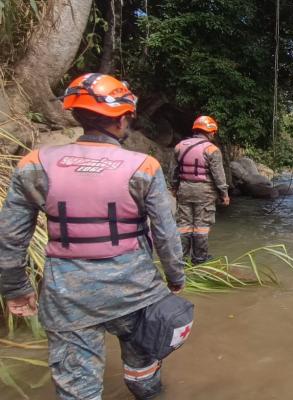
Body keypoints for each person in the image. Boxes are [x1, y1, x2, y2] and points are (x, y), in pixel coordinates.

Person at [0, 73, 185, 400]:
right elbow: (165, 233)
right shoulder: (144, 166)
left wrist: (16, 288)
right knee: (143, 369)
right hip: (136, 292)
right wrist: (175, 277)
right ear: (122, 119)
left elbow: (11, 237)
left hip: (69, 298)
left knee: (78, 389)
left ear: (76, 114)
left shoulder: (34, 164)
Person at [172, 115, 229, 264]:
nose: (213, 135)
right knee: (201, 226)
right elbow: (219, 175)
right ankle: (199, 258)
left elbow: (174, 171)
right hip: (205, 192)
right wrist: (224, 194)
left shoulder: (179, 146)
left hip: (184, 190)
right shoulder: (212, 149)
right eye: (213, 132)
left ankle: (181, 259)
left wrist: (174, 188)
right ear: (209, 132)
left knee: (183, 225)